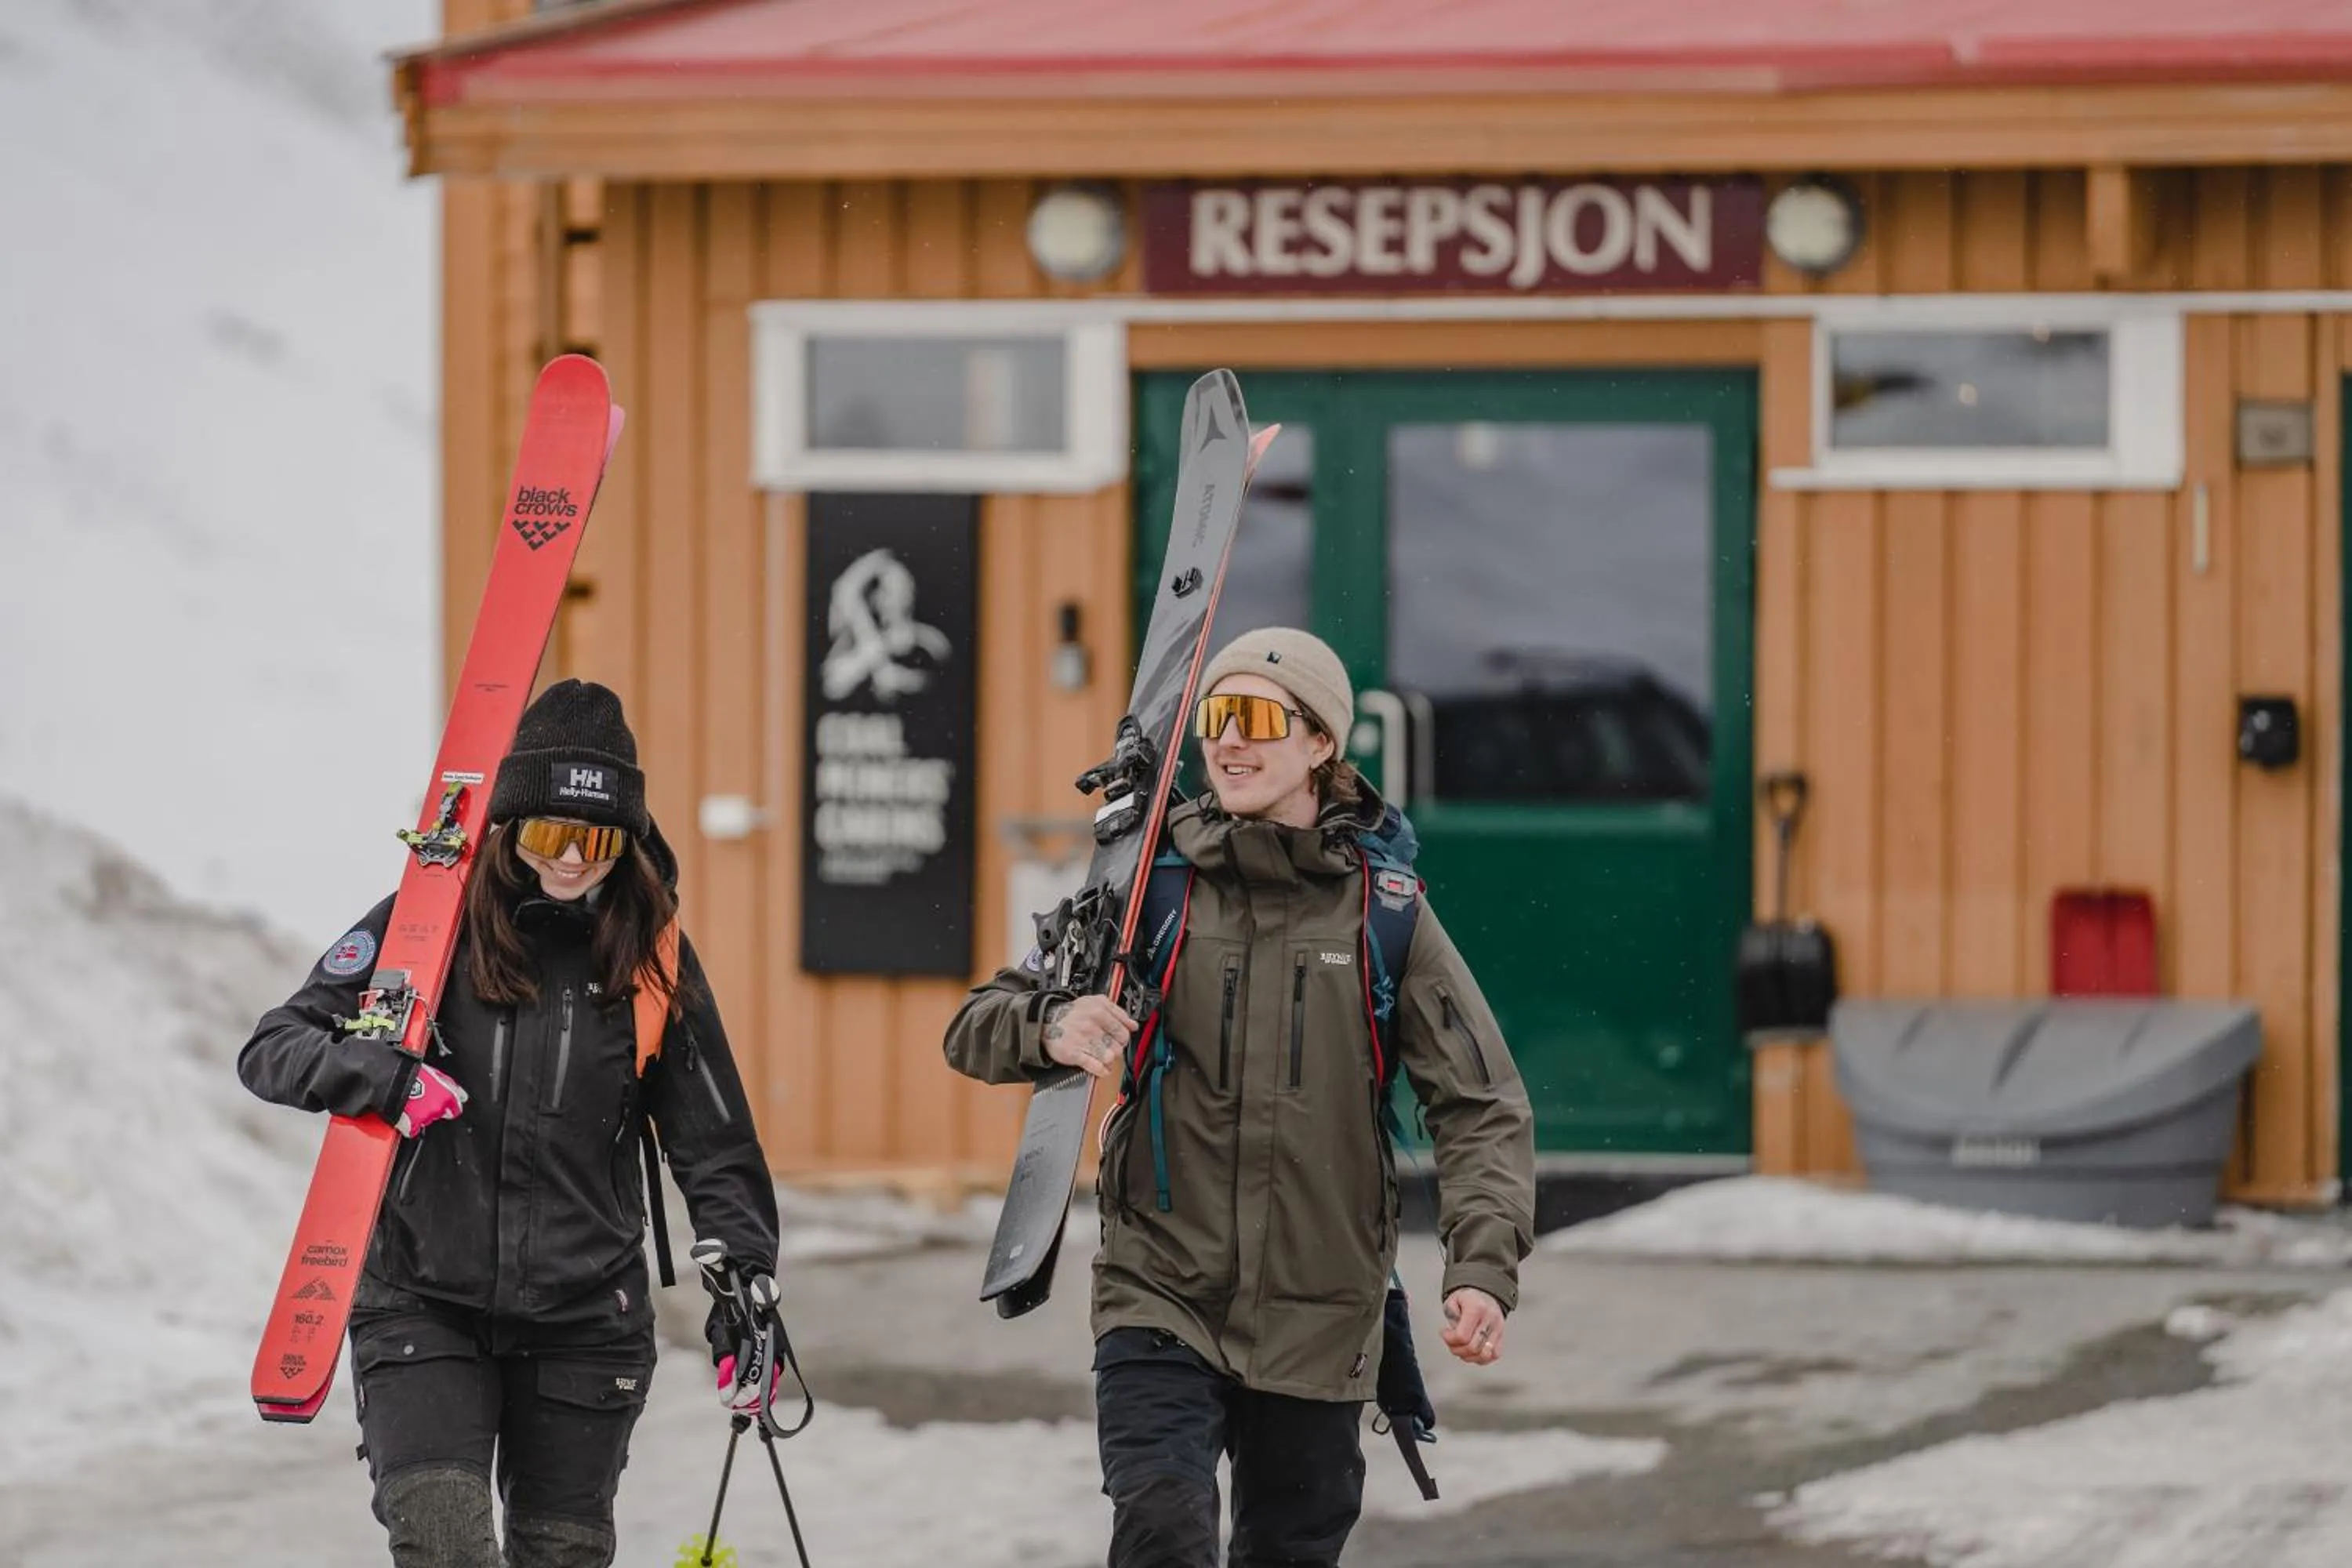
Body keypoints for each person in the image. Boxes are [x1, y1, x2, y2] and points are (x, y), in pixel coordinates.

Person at [945, 628, 1537, 1568]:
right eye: (1215, 717)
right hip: (1161, 1292)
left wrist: (1481, 1266)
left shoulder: (1385, 912)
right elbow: (979, 1021)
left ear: (1321, 744)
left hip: (1323, 1311)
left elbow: (1481, 1103)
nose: (1229, 740)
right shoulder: (1148, 891)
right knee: (1162, 1529)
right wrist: (1051, 1025)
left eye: (1259, 718)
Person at [238, 681, 782, 1568]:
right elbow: (274, 1045)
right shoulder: (424, 927)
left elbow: (714, 1141)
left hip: (586, 1317)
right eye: (547, 834)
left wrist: (747, 1282)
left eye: (596, 840)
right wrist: (382, 1075)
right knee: (446, 1547)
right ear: (507, 828)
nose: (571, 860)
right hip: (422, 1299)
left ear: (631, 842)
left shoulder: (653, 953)